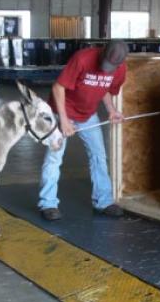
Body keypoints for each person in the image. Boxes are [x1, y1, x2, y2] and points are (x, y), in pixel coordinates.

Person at [38, 40, 128, 221]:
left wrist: (111, 110)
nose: (106, 68)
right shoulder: (83, 58)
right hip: (63, 110)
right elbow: (58, 87)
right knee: (54, 158)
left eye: (111, 67)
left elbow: (103, 88)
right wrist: (63, 120)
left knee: (99, 156)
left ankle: (103, 202)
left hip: (87, 114)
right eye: (105, 63)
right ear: (102, 52)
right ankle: (48, 204)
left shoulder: (120, 69)